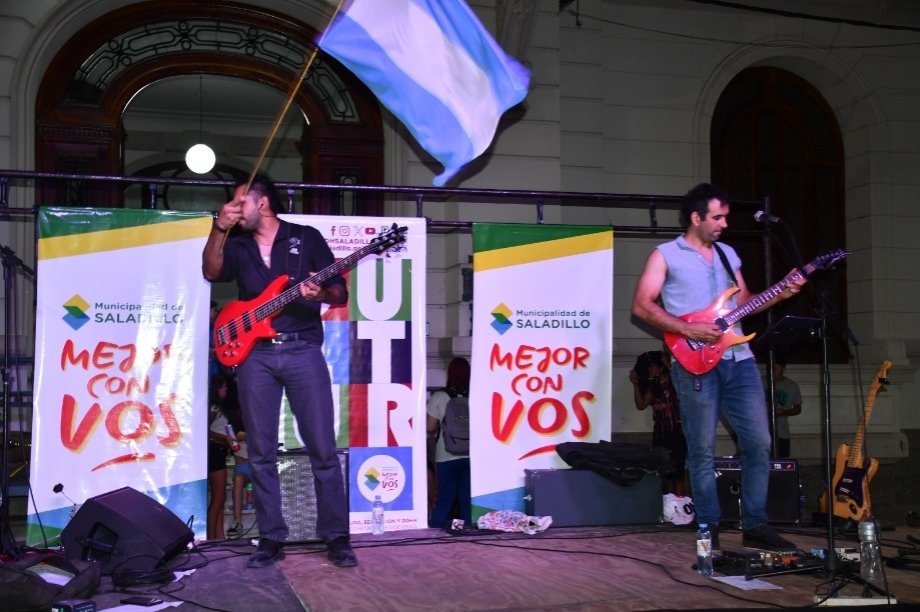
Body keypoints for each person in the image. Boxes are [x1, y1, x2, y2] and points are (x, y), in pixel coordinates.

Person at [631, 182, 805, 554]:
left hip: (738, 360)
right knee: (701, 449)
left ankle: (755, 524)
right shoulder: (665, 255)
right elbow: (642, 306)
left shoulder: (728, 254)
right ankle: (708, 527)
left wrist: (782, 292)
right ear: (696, 218)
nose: (725, 223)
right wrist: (687, 329)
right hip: (693, 360)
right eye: (717, 217)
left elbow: (745, 303)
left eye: (726, 217)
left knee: (759, 442)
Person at [202, 173, 356, 568]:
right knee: (261, 451)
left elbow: (339, 292)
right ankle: (271, 537)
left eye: (240, 203)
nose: (235, 210)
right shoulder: (237, 244)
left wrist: (321, 292)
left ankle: (336, 535)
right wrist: (218, 227)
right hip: (256, 355)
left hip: (302, 349)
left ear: (262, 203)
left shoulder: (305, 238)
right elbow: (212, 271)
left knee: (323, 447)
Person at [629, 349, 687, 496]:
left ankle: (681, 502)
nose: (649, 370)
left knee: (678, 471)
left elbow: (676, 373)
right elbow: (641, 405)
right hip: (660, 434)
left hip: (677, 433)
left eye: (652, 366)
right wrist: (635, 384)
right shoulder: (653, 387)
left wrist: (665, 359)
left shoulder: (674, 382)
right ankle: (669, 503)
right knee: (665, 472)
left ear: (660, 368)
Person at [426, 357, 472, 529]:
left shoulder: (439, 396)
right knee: (467, 499)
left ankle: (436, 533)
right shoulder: (476, 395)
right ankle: (467, 531)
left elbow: (429, 427)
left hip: (446, 455)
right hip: (470, 455)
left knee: (444, 499)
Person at [206, 374, 233, 540]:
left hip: (220, 451)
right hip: (215, 452)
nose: (226, 389)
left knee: (220, 497)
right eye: (223, 386)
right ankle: (211, 536)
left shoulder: (218, 408)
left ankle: (219, 536)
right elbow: (205, 430)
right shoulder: (214, 409)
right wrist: (226, 438)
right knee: (217, 498)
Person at [765, 355, 802, 458]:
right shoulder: (760, 381)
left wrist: (784, 412)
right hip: (761, 432)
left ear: (783, 369)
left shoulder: (791, 386)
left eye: (775, 368)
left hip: (781, 433)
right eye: (770, 368)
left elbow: (797, 409)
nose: (772, 371)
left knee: (781, 461)